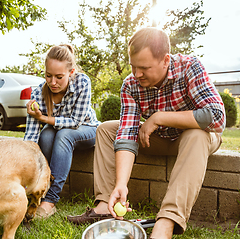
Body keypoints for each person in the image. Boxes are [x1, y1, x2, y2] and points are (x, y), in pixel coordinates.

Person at [66, 27, 225, 239]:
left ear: (165, 60)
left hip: (194, 139)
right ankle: (105, 206)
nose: (136, 74)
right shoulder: (131, 85)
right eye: (133, 66)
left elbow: (216, 117)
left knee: (196, 135)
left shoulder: (190, 67)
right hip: (157, 139)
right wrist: (121, 184)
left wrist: (159, 118)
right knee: (106, 130)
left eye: (144, 68)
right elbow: (127, 133)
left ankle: (167, 222)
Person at [24, 44, 100, 218]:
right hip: (59, 133)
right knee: (46, 134)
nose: (52, 82)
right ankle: (39, 190)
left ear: (71, 72)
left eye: (59, 77)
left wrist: (44, 119)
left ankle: (50, 201)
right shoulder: (39, 94)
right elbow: (30, 138)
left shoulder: (82, 82)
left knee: (63, 134)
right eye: (48, 76)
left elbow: (75, 122)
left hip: (87, 128)